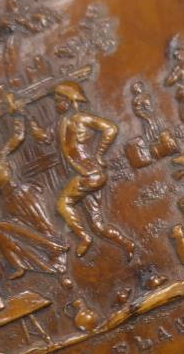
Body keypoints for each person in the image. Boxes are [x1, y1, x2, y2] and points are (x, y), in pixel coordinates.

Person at [0, 124, 69, 282]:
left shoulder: (1, 157)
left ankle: (59, 261)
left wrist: (17, 117)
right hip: (10, 205)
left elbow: (17, 137)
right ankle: (22, 264)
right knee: (2, 232)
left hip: (25, 195)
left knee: (44, 227)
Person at [51, 81, 134, 257]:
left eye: (58, 99)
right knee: (98, 226)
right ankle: (128, 245)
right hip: (88, 176)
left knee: (63, 204)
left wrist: (99, 154)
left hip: (90, 175)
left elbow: (110, 128)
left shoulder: (81, 119)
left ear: (69, 99)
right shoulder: (63, 122)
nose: (56, 103)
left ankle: (83, 237)